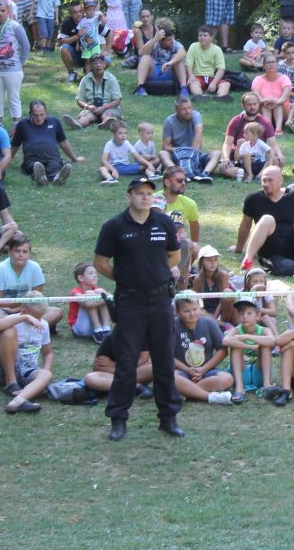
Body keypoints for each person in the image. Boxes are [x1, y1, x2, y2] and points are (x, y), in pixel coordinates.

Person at [95, 176, 184, 440]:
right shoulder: (114, 226)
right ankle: (118, 419)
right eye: (139, 193)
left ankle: (168, 418)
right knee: (126, 363)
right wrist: (126, 278)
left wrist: (157, 274)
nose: (145, 197)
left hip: (160, 300)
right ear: (129, 196)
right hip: (130, 302)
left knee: (164, 362)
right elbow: (100, 263)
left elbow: (175, 254)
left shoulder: (163, 222)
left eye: (148, 193)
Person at [234, 165, 294, 274]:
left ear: (280, 180)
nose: (266, 184)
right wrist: (238, 248)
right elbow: (245, 225)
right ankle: (247, 261)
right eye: (264, 180)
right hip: (268, 248)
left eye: (270, 180)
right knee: (267, 219)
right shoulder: (254, 199)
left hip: (293, 248)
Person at [0, 232, 63, 333]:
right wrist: (21, 306)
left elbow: (37, 300)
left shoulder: (35, 267)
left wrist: (18, 310)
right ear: (9, 252)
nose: (21, 255)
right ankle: (31, 329)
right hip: (1, 311)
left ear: (29, 254)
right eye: (17, 251)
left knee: (56, 312)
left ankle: (14, 330)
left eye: (25, 252)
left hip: (26, 310)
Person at [169, 290, 235, 406]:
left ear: (200, 308)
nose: (192, 313)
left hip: (206, 372)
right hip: (181, 371)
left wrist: (203, 369)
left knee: (227, 378)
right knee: (171, 378)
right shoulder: (172, 325)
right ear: (177, 312)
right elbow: (167, 354)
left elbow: (222, 350)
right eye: (186, 311)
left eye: (195, 309)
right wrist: (187, 369)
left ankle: (186, 391)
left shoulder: (209, 323)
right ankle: (210, 397)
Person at [0, 301, 54, 414]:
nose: (38, 321)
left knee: (47, 374)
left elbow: (48, 353)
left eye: (40, 317)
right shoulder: (12, 319)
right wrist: (24, 317)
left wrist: (44, 375)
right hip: (5, 368)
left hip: (28, 371)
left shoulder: (43, 324)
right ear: (24, 310)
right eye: (35, 317)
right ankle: (11, 383)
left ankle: (18, 401)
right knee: (9, 331)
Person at [215, 92, 284, 179]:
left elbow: (273, 144)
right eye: (249, 105)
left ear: (258, 104)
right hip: (239, 158)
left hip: (259, 157)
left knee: (277, 161)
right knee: (223, 168)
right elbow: (227, 143)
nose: (252, 107)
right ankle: (252, 175)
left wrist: (280, 155)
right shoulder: (236, 121)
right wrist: (226, 158)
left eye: (255, 104)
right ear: (243, 105)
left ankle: (253, 175)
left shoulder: (265, 122)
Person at [222, 298, 276, 400]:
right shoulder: (236, 330)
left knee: (265, 344)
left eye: (249, 313)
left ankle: (267, 385)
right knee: (235, 346)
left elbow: (272, 341)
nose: (244, 316)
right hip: (242, 373)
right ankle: (239, 388)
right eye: (241, 313)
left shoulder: (264, 330)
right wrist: (251, 346)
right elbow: (225, 341)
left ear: (258, 316)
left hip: (260, 373)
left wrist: (246, 337)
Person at [0, 0, 30, 124]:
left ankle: (17, 124)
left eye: (3, 11)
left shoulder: (15, 26)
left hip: (12, 69)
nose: (0, 13)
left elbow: (26, 45)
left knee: (13, 97)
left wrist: (21, 63)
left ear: (8, 11)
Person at [65, 54, 122, 130]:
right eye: (95, 63)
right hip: (92, 109)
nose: (98, 65)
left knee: (107, 115)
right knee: (86, 117)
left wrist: (104, 107)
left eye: (100, 63)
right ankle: (77, 124)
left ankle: (106, 123)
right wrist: (88, 106)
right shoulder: (85, 79)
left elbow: (118, 100)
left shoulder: (111, 78)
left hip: (109, 108)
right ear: (91, 66)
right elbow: (79, 100)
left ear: (104, 65)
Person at [133, 20, 188, 97]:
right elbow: (141, 52)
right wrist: (155, 39)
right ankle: (140, 87)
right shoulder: (154, 42)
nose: (172, 41)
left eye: (172, 38)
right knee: (145, 57)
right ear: (161, 41)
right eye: (168, 40)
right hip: (154, 71)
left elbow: (183, 52)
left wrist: (170, 62)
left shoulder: (174, 43)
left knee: (178, 58)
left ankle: (183, 88)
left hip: (169, 71)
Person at [185, 25, 230, 100]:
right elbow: (188, 64)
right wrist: (191, 76)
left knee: (226, 84)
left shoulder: (217, 49)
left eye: (205, 35)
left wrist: (214, 83)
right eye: (200, 35)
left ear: (211, 37)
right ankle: (200, 97)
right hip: (197, 77)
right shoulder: (193, 46)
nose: (202, 37)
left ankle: (221, 97)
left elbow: (221, 69)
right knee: (193, 83)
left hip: (211, 77)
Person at [251, 52, 291, 133]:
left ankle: (278, 129)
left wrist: (277, 101)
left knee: (278, 103)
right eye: (268, 62)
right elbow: (256, 96)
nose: (271, 64)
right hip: (263, 110)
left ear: (277, 64)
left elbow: (286, 95)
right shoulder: (258, 80)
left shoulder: (284, 78)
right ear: (263, 66)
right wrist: (264, 101)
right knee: (265, 104)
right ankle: (269, 128)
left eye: (273, 62)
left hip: (283, 112)